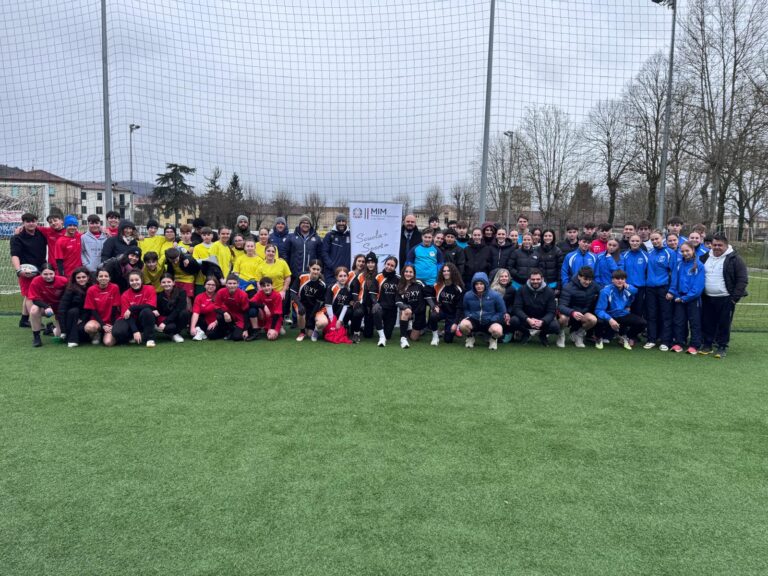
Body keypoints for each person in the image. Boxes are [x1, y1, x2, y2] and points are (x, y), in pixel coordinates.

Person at [699, 233, 749, 358]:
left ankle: (722, 347)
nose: (716, 247)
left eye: (719, 245)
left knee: (724, 324)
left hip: (726, 298)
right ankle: (707, 345)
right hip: (707, 297)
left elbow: (742, 280)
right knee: (707, 322)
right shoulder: (704, 258)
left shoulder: (735, 259)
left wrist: (734, 299)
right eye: (714, 245)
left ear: (726, 246)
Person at [10, 212, 48, 328]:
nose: (31, 224)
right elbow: (15, 255)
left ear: (36, 221)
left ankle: (24, 320)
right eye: (28, 222)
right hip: (27, 271)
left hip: (40, 268)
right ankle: (34, 321)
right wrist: (18, 270)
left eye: (33, 221)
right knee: (31, 296)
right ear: (23, 223)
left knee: (29, 295)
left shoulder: (41, 234)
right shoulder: (17, 237)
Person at [668, 242, 705, 354]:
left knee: (694, 322)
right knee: (679, 321)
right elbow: (674, 281)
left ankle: (694, 345)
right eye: (682, 251)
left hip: (692, 299)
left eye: (687, 250)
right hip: (679, 298)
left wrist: (686, 298)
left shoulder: (699, 265)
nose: (685, 253)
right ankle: (679, 342)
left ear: (693, 250)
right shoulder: (679, 264)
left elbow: (698, 287)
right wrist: (673, 293)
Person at [595, 269, 646, 350]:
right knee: (599, 320)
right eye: (617, 279)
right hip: (609, 315)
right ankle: (598, 338)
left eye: (622, 279)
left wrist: (628, 305)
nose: (620, 281)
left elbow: (635, 292)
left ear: (625, 280)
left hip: (622, 314)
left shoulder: (628, 289)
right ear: (612, 280)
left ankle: (626, 337)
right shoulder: (605, 291)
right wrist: (610, 319)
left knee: (642, 323)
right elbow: (598, 310)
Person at [644, 230, 676, 351]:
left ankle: (665, 341)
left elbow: (674, 273)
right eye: (652, 239)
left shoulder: (670, 253)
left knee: (666, 315)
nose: (654, 241)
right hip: (650, 288)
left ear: (662, 238)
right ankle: (651, 339)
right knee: (651, 315)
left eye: (656, 239)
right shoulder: (650, 253)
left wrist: (671, 290)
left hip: (664, 288)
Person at [510, 269, 559, 346]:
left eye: (538, 279)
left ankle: (542, 335)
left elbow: (551, 312)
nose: (535, 281)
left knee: (555, 326)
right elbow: (517, 308)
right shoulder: (521, 290)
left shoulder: (550, 292)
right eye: (533, 279)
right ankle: (526, 333)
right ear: (529, 279)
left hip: (542, 320)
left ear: (542, 279)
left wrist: (542, 321)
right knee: (513, 320)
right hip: (526, 319)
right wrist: (528, 319)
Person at [459, 272, 505, 350]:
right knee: (462, 325)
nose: (479, 286)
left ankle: (493, 340)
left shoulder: (495, 295)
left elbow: (502, 311)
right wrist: (470, 315)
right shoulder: (467, 295)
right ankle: (470, 337)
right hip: (474, 320)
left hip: (490, 321)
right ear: (473, 285)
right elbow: (466, 309)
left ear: (485, 284)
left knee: (498, 331)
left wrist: (493, 319)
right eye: (476, 284)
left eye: (481, 284)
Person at [112, 270, 158, 347]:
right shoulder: (125, 295)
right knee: (117, 332)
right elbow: (126, 316)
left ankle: (149, 338)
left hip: (143, 318)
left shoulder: (150, 289)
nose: (134, 282)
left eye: (137, 280)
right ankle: (132, 336)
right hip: (131, 320)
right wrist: (135, 331)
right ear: (129, 282)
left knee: (147, 311)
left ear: (142, 280)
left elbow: (152, 306)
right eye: (131, 280)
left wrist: (132, 308)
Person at [558, 266, 600, 348]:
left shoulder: (594, 285)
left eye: (590, 280)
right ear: (579, 276)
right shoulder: (568, 287)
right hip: (569, 314)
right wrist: (572, 312)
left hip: (583, 314)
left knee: (593, 319)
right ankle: (561, 334)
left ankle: (579, 335)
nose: (587, 282)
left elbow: (604, 291)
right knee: (563, 318)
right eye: (585, 279)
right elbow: (561, 306)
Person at [27, 263, 68, 347]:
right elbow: (34, 299)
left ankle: (51, 328)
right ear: (40, 273)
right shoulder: (36, 281)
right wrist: (46, 307)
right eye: (45, 274)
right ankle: (36, 337)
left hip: (60, 309)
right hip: (44, 308)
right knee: (34, 310)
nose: (48, 276)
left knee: (59, 335)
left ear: (54, 273)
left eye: (51, 274)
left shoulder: (63, 281)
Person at [291, 259, 327, 342]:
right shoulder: (302, 276)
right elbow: (293, 293)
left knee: (311, 333)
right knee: (301, 311)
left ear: (320, 270)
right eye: (313, 269)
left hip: (313, 308)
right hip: (300, 303)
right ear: (309, 268)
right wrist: (299, 305)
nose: (315, 271)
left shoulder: (322, 284)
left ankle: (315, 330)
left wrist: (311, 318)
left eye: (318, 269)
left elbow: (318, 302)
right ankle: (302, 332)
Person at [83, 268, 122, 347]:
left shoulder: (115, 287)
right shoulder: (91, 290)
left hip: (111, 320)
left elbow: (115, 308)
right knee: (89, 328)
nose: (103, 278)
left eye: (106, 276)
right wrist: (103, 325)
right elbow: (92, 310)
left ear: (109, 278)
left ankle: (110, 334)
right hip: (97, 321)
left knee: (108, 343)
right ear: (97, 278)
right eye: (101, 276)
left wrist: (112, 325)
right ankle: (97, 334)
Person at [429, 263, 465, 346]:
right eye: (444, 271)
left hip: (452, 314)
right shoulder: (438, 285)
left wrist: (456, 323)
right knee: (433, 315)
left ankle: (449, 329)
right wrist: (434, 306)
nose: (446, 273)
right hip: (441, 311)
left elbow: (460, 308)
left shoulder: (459, 288)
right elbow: (432, 296)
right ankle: (435, 336)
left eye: (448, 271)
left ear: (453, 272)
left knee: (448, 340)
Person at [349, 252, 380, 343]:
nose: (370, 264)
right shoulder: (360, 276)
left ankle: (367, 328)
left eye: (372, 262)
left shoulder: (379, 276)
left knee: (368, 335)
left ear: (375, 263)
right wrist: (356, 302)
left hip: (372, 305)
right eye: (368, 262)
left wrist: (376, 304)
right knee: (358, 312)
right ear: (366, 264)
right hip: (362, 303)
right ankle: (356, 332)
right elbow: (355, 291)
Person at [59, 267, 93, 347]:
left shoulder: (92, 288)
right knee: (74, 310)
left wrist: (82, 319)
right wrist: (63, 330)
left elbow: (90, 308)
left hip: (86, 317)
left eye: (83, 277)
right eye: (78, 277)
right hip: (71, 318)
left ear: (88, 277)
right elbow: (62, 309)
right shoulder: (70, 290)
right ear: (74, 279)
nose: (81, 279)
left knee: (82, 330)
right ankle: (72, 339)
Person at [395, 264, 427, 348]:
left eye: (410, 272)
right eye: (406, 272)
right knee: (405, 311)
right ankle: (403, 338)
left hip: (419, 313)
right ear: (403, 273)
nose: (408, 274)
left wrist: (434, 306)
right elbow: (398, 301)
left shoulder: (419, 283)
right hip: (408, 311)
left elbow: (428, 295)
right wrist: (405, 307)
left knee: (414, 338)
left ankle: (410, 327)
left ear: (414, 274)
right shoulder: (400, 286)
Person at [212, 274, 250, 341]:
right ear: (226, 284)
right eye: (229, 283)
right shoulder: (221, 292)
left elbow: (246, 312)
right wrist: (225, 313)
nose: (232, 285)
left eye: (234, 283)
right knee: (219, 317)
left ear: (238, 284)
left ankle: (246, 330)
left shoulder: (243, 295)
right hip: (228, 315)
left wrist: (245, 329)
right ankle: (226, 331)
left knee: (237, 337)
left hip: (240, 318)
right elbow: (216, 306)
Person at [372, 256, 401, 346]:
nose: (389, 267)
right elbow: (372, 293)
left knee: (388, 335)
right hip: (381, 307)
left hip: (392, 309)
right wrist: (375, 303)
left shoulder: (398, 278)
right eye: (388, 264)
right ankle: (381, 337)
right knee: (376, 311)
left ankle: (384, 334)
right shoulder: (378, 276)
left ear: (395, 267)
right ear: (385, 264)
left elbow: (400, 295)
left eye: (392, 265)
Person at [155, 274, 190, 343]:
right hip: (168, 319)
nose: (166, 284)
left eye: (169, 282)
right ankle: (172, 334)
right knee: (170, 327)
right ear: (161, 284)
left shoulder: (181, 292)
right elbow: (161, 312)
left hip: (177, 317)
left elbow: (179, 309)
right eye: (163, 282)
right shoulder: (159, 295)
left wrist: (165, 322)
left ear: (173, 283)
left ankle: (176, 333)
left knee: (184, 313)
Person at [620, 234, 649, 318]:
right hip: (626, 287)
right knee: (626, 310)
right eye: (632, 241)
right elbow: (621, 270)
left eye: (637, 241)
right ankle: (623, 330)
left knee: (638, 310)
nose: (635, 243)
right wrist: (623, 282)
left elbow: (649, 272)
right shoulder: (624, 255)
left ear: (640, 242)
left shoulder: (646, 255)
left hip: (640, 288)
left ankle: (636, 330)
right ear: (629, 242)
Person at [324, 266, 353, 339]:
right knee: (329, 333)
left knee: (349, 311)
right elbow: (328, 305)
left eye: (345, 276)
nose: (343, 278)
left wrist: (339, 321)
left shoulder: (348, 290)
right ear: (336, 277)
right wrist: (333, 321)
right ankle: (317, 330)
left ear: (347, 277)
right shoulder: (332, 287)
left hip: (339, 316)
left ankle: (345, 325)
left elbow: (345, 307)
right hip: (330, 314)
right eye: (340, 276)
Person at [321, 214, 351, 284]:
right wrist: (332, 266)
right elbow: (324, 252)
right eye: (339, 221)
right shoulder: (330, 235)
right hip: (331, 273)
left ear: (346, 222)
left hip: (346, 273)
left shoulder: (351, 235)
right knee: (331, 293)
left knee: (344, 293)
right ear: (336, 223)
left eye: (343, 221)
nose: (341, 223)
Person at [190, 276, 220, 341]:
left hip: (216, 321)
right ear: (204, 285)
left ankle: (202, 332)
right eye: (208, 284)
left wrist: (215, 322)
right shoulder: (199, 297)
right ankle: (199, 331)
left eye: (213, 285)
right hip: (204, 321)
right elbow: (196, 313)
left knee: (211, 335)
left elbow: (223, 313)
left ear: (216, 287)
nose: (210, 286)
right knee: (191, 315)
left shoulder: (219, 296)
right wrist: (192, 327)